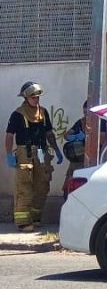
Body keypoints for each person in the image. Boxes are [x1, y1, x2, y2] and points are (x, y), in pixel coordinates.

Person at [5, 82, 62, 231]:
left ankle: (35, 217)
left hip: (42, 153)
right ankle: (23, 222)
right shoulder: (18, 114)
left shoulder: (43, 112)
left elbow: (49, 133)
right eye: (33, 97)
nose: (36, 99)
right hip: (25, 153)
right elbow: (9, 135)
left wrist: (56, 149)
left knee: (43, 185)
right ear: (25, 97)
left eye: (37, 97)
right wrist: (9, 154)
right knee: (24, 186)